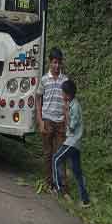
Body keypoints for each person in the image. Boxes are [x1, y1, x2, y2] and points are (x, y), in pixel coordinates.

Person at [35, 47, 69, 191]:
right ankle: (49, 183)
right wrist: (40, 121)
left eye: (59, 63)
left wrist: (68, 123)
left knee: (60, 154)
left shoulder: (65, 80)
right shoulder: (44, 80)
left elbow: (67, 104)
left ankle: (61, 186)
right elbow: (38, 99)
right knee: (48, 154)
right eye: (54, 62)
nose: (56, 66)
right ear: (50, 63)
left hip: (60, 122)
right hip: (47, 121)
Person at [53, 79, 90, 207]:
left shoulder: (74, 107)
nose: (62, 95)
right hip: (75, 142)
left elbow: (72, 126)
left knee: (56, 159)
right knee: (77, 171)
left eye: (62, 93)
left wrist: (66, 113)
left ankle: (58, 189)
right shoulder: (72, 104)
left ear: (67, 94)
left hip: (72, 142)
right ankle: (85, 201)